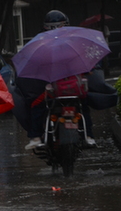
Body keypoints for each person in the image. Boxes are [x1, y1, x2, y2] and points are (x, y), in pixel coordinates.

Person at [14, 10, 97, 149]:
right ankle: (89, 135)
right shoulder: (76, 41)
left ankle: (35, 137)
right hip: (73, 88)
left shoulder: (38, 43)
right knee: (83, 105)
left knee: (37, 105)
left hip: (51, 89)